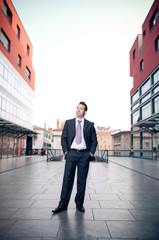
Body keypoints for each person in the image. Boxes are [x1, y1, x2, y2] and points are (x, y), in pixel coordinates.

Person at [52, 101, 97, 213]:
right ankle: (62, 204)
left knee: (81, 181)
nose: (78, 110)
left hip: (84, 155)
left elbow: (94, 140)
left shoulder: (90, 125)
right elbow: (64, 138)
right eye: (77, 108)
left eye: (81, 108)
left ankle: (79, 204)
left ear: (85, 111)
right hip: (71, 154)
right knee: (67, 180)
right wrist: (66, 151)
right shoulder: (68, 123)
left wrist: (90, 153)